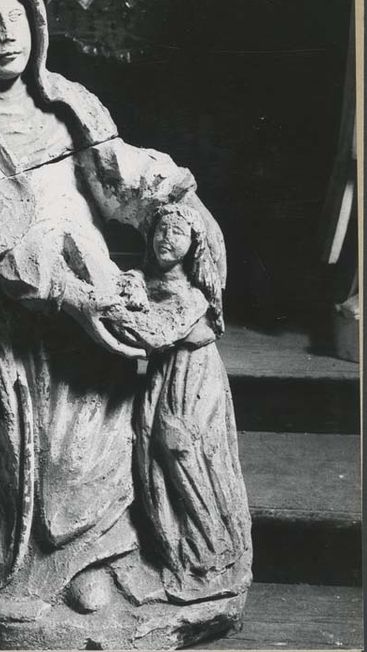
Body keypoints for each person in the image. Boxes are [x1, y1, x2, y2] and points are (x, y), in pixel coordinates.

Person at [0, 0, 237, 636]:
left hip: (98, 297)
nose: (8, 35)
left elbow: (117, 174)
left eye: (18, 18)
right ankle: (46, 572)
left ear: (38, 23)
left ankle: (112, 556)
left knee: (112, 431)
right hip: (25, 316)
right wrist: (66, 292)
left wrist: (168, 198)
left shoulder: (66, 97)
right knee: (49, 454)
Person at [115, 204, 252, 604]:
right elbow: (138, 287)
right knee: (155, 452)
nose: (166, 238)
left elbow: (169, 331)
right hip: (165, 372)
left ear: (194, 244)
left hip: (194, 372)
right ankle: (179, 554)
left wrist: (134, 317)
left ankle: (213, 551)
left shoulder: (194, 293)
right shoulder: (144, 278)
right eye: (161, 229)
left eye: (177, 231)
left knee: (180, 446)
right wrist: (134, 288)